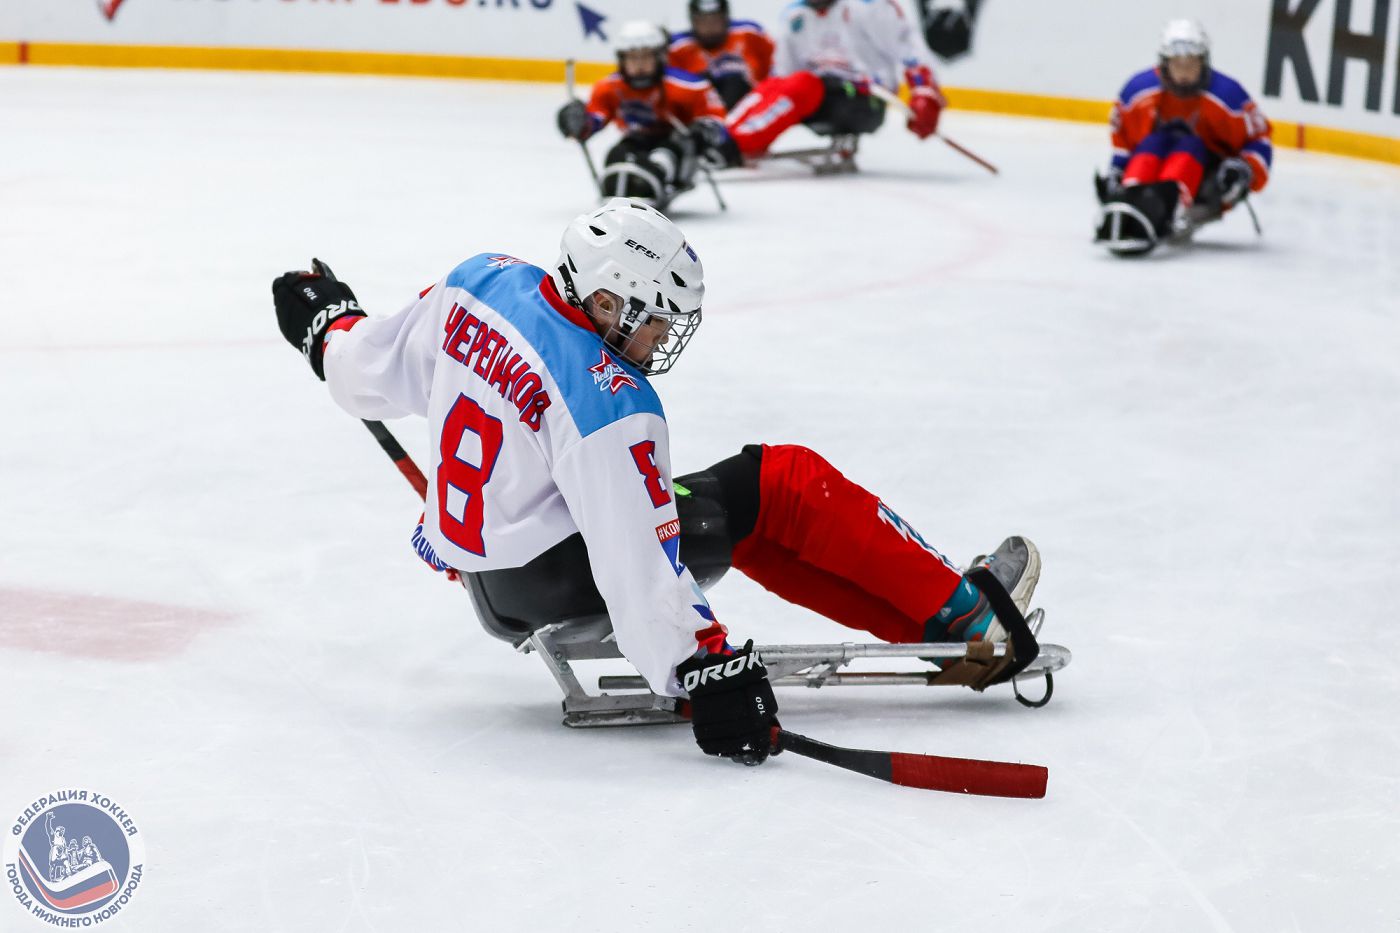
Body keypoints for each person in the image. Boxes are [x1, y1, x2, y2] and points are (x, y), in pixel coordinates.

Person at [272, 199, 1041, 767]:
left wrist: (326, 324)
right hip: (553, 576)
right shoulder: (608, 399)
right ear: (606, 300)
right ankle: (967, 615)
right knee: (780, 483)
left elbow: (366, 369)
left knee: (734, 511)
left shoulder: (479, 283)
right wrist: (703, 665)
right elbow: (636, 558)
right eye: (655, 320)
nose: (662, 338)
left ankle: (925, 626)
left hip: (486, 575)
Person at [1096, 19, 1273, 254]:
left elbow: (1260, 139)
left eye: (1191, 64)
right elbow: (1123, 139)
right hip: (1157, 159)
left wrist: (1243, 170)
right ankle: (1130, 197)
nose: (1184, 73)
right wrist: (1117, 170)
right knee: (1153, 142)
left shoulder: (1228, 96)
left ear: (1204, 62)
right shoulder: (1138, 91)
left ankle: (1169, 206)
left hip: (1207, 179)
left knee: (1190, 145)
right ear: (1164, 63)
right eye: (1177, 64)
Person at [724, 0, 946, 161]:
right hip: (819, 99)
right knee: (777, 85)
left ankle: (735, 144)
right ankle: (725, 132)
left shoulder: (869, 7)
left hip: (864, 102)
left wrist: (924, 94)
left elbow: (910, 50)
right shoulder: (795, 16)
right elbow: (781, 77)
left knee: (804, 83)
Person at [556, 20, 742, 209]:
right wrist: (578, 123)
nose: (639, 65)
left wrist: (704, 131)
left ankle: (653, 179)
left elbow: (715, 118)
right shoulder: (608, 87)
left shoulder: (689, 86)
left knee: (665, 155)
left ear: (659, 57)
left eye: (646, 57)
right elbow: (596, 117)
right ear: (621, 60)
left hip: (677, 143)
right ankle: (627, 188)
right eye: (632, 58)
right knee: (617, 156)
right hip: (636, 139)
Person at [667, 0, 776, 110]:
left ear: (726, 18)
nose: (709, 27)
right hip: (707, 112)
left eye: (715, 20)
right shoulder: (678, 48)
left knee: (735, 82)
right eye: (702, 21)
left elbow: (773, 72)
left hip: (757, 107)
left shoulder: (750, 34)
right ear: (692, 22)